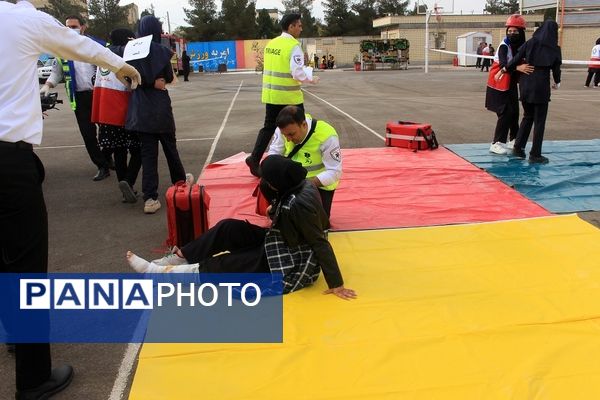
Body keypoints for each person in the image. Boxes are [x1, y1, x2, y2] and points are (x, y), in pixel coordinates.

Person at [0, 2, 141, 399]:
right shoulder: (23, 19)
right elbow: (82, 47)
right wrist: (123, 66)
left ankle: (12, 330)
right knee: (25, 265)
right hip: (8, 160)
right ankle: (32, 380)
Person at [127, 155, 357, 300]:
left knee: (225, 264)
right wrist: (273, 210)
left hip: (290, 259)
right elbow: (284, 216)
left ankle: (161, 275)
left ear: (276, 184)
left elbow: (318, 242)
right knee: (228, 228)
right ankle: (180, 257)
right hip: (280, 237)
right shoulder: (295, 186)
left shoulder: (298, 205)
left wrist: (336, 284)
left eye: (265, 181)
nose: (262, 185)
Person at [125, 15, 193, 214]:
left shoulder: (130, 52)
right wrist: (154, 81)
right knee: (170, 148)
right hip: (160, 108)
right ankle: (180, 184)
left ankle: (150, 198)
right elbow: (169, 77)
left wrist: (143, 82)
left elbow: (128, 78)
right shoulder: (162, 51)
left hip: (140, 109)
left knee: (148, 155)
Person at [245, 13, 319, 177]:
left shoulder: (272, 44)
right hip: (289, 97)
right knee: (299, 128)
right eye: (299, 25)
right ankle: (298, 162)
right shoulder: (293, 46)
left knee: (269, 127)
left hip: (272, 95)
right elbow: (297, 72)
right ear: (291, 26)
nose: (301, 28)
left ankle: (255, 158)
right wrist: (311, 78)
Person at [40, 15, 112, 181]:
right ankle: (102, 165)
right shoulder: (62, 49)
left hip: (99, 95)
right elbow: (57, 72)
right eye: (67, 26)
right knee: (88, 134)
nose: (70, 30)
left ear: (83, 27)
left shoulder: (96, 45)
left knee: (108, 131)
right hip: (79, 98)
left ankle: (108, 157)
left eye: (74, 26)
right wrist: (47, 85)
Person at [91, 28, 141, 203]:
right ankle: (128, 180)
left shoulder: (102, 56)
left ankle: (125, 188)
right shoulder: (126, 53)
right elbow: (132, 81)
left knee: (119, 151)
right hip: (124, 109)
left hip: (106, 111)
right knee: (139, 150)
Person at [267, 106, 341, 217]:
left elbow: (334, 172)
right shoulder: (284, 129)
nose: (288, 139)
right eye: (285, 135)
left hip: (318, 185)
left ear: (304, 125)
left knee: (316, 223)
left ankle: (284, 209)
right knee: (266, 178)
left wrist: (302, 185)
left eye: (291, 134)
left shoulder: (327, 136)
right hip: (292, 182)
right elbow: (273, 153)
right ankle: (279, 210)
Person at [506, 20, 562, 164]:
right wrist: (557, 81)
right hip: (541, 87)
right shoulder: (555, 48)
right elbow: (556, 69)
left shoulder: (530, 43)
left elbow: (515, 60)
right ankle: (535, 154)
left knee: (527, 116)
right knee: (539, 122)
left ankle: (518, 147)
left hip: (525, 85)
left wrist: (506, 69)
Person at [486, 14, 533, 155]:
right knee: (505, 113)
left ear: (521, 32)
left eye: (515, 31)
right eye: (510, 31)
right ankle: (497, 143)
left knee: (514, 112)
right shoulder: (504, 46)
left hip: (510, 83)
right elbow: (503, 64)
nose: (512, 34)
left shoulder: (520, 47)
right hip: (498, 83)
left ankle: (514, 139)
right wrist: (518, 68)